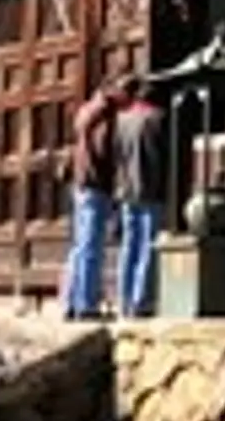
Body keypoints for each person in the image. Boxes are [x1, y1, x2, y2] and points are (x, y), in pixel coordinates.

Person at [60, 76, 122, 319]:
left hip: (81, 184)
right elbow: (101, 152)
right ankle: (87, 304)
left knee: (79, 246)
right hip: (94, 185)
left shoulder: (85, 112)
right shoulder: (102, 118)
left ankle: (70, 301)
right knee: (91, 246)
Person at [110, 73, 165, 318]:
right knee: (148, 245)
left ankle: (123, 299)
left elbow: (118, 156)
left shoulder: (122, 121)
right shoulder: (156, 119)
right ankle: (141, 300)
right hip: (150, 188)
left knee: (129, 245)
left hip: (126, 189)